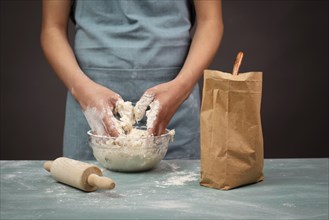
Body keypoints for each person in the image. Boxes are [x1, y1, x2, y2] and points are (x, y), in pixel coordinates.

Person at [41, 0, 224, 160]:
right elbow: (52, 28)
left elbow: (210, 21)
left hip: (175, 109)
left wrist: (182, 87)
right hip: (90, 109)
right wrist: (82, 91)